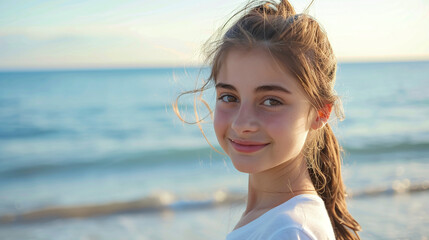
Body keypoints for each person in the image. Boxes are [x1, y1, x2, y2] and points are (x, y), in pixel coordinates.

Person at [175, 0, 361, 239]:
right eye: (229, 96)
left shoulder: (289, 230)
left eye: (271, 101)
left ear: (321, 113)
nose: (242, 124)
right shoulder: (273, 218)